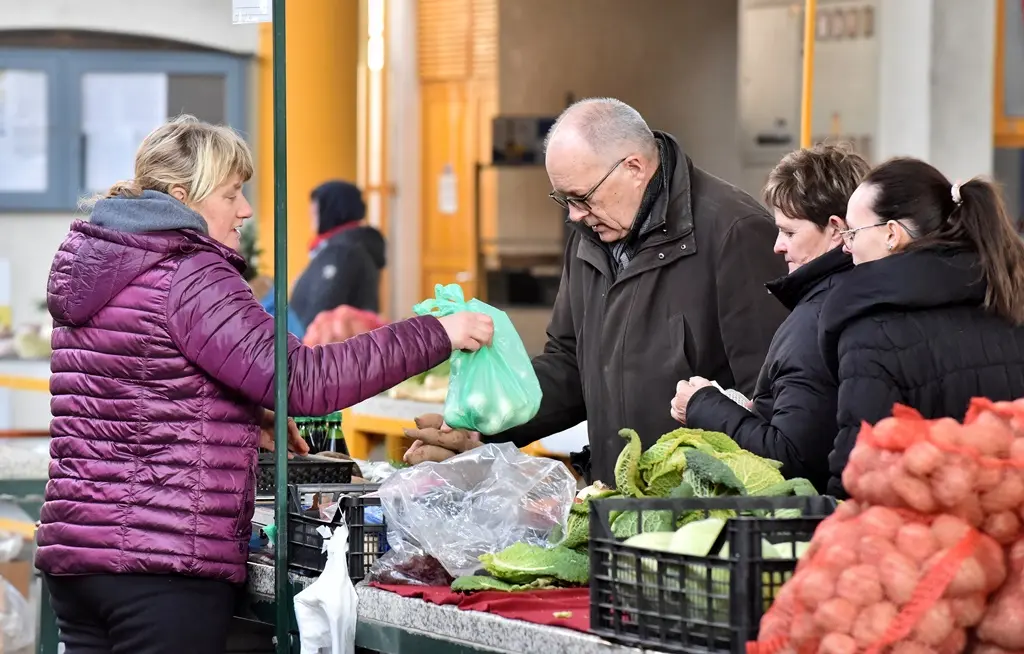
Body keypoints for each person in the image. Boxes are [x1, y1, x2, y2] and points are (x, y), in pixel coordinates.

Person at [36, 115, 493, 654]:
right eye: (233, 194)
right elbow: (305, 378)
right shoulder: (189, 273)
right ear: (185, 197)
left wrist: (244, 415)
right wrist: (436, 334)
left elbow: (137, 394)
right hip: (161, 568)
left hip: (79, 558)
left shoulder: (102, 266)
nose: (246, 210)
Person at [411, 98, 788, 485]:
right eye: (565, 200)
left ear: (634, 169)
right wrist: (486, 424)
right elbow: (569, 365)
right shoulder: (590, 235)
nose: (574, 215)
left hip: (703, 510)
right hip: (615, 501)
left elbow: (769, 397)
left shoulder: (736, 233)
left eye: (582, 197)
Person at [819, 156, 1024, 498]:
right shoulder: (1009, 296)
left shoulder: (870, 332)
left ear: (891, 234)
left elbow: (860, 471)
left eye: (852, 231)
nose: (845, 244)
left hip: (925, 538)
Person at [669, 144, 869, 493]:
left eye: (790, 232)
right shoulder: (856, 298)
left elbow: (791, 457)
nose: (778, 246)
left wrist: (704, 406)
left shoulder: (816, 321)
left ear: (836, 229)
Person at [289, 180, 385, 328]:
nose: (311, 217)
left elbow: (321, 310)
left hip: (329, 344)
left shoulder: (343, 251)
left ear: (333, 210)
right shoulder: (340, 246)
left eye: (316, 212)